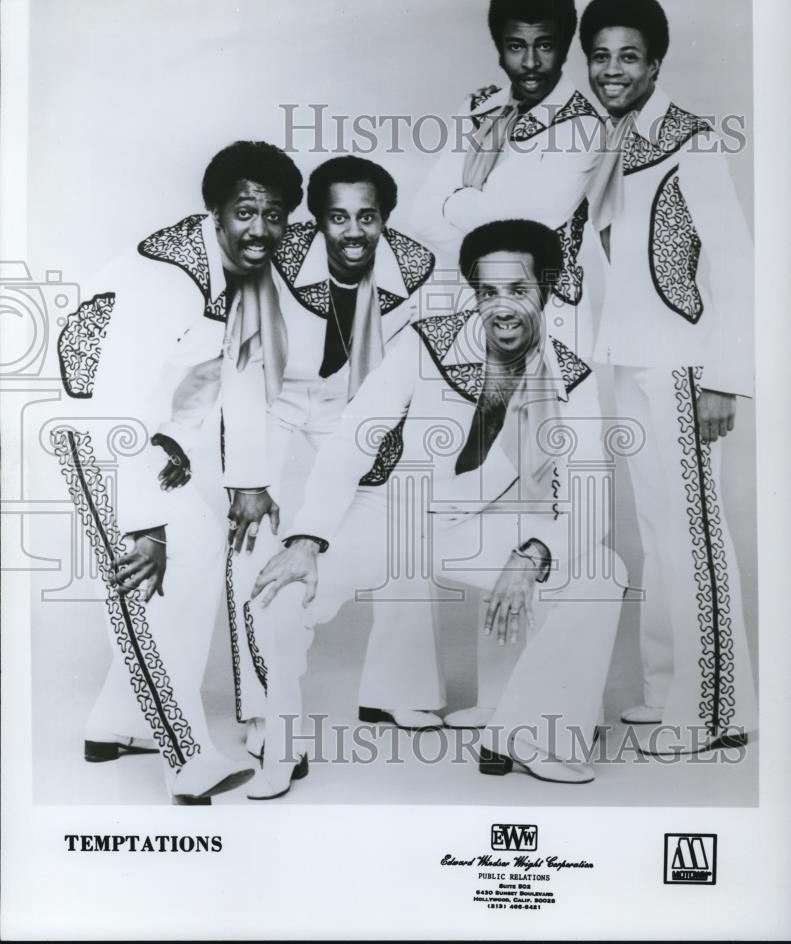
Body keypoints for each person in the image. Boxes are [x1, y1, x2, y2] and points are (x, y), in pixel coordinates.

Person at [242, 220, 626, 798]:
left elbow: (590, 489)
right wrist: (309, 536)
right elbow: (355, 436)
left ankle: (527, 734)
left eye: (518, 291)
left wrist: (536, 552)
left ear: (546, 291)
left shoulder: (573, 377)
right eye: (488, 291)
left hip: (477, 526)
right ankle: (281, 740)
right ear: (474, 293)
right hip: (389, 515)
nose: (503, 308)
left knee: (601, 573)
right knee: (282, 589)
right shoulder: (426, 341)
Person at [52, 140, 303, 801]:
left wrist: (211, 460)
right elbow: (110, 404)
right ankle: (188, 761)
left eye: (274, 215)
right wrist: (143, 524)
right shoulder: (168, 279)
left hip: (148, 431)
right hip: (88, 430)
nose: (260, 229)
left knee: (191, 563)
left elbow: (226, 375)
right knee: (145, 579)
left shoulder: (240, 277)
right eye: (245, 210)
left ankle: (116, 722)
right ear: (214, 210)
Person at [216, 155, 443, 759]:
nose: (352, 232)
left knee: (406, 526)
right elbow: (239, 365)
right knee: (258, 542)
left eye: (367, 217)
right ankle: (263, 709)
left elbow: (420, 366)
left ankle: (399, 687)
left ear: (384, 219)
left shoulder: (417, 268)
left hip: (358, 413)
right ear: (314, 220)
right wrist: (248, 474)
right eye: (337, 217)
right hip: (281, 408)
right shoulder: (279, 258)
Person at [579, 0, 757, 754]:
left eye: (628, 56)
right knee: (655, 530)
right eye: (600, 56)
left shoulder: (693, 140)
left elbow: (739, 268)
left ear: (654, 63)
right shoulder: (602, 141)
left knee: (693, 534)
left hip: (683, 366)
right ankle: (664, 686)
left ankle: (714, 712)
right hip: (624, 362)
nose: (611, 70)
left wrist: (725, 376)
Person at [410, 0, 605, 369]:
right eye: (516, 46)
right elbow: (422, 216)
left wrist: (458, 198)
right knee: (469, 428)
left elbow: (529, 225)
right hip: (467, 304)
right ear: (499, 47)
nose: (530, 62)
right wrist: (478, 208)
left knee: (546, 429)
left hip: (550, 317)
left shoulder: (584, 125)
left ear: (566, 47)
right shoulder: (478, 106)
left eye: (545, 46)